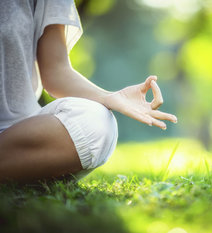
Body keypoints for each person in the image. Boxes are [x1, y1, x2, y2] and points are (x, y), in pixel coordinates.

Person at [0, 0, 177, 183]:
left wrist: (111, 97)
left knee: (97, 122)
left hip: (18, 135)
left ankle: (16, 162)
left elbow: (56, 71)